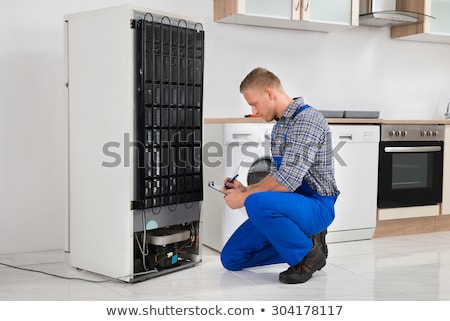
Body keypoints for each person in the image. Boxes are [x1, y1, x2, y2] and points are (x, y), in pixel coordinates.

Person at [220, 67, 340, 284]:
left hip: (317, 206)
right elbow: (277, 176)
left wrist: (246, 197)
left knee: (256, 202)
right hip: (292, 204)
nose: (254, 111)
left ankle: (307, 256)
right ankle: (309, 243)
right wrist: (244, 189)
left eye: (253, 103)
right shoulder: (279, 128)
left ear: (269, 93)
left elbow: (287, 181)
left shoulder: (307, 119)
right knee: (231, 259)